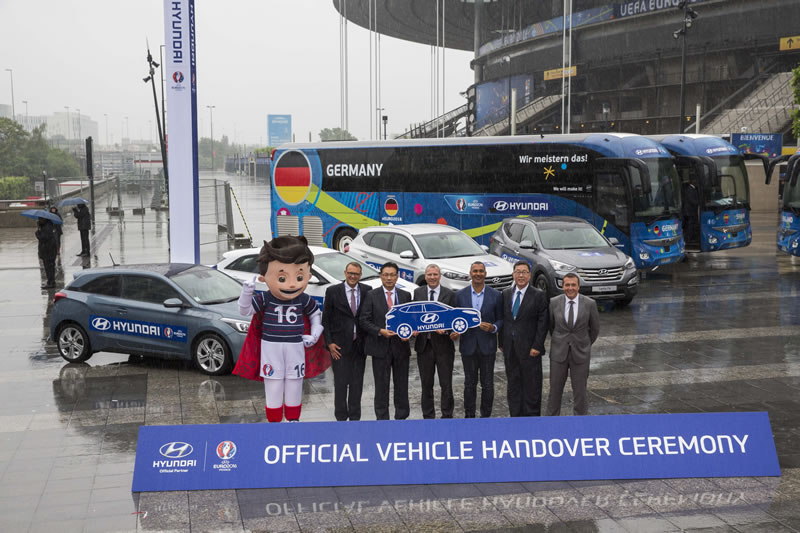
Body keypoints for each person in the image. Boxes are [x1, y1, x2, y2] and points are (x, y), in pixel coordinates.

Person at [235, 236, 323, 422]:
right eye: (282, 278)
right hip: (271, 347)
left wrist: (315, 334)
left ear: (308, 276)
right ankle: (274, 422)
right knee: (273, 386)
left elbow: (316, 316)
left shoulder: (303, 299)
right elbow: (245, 310)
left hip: (295, 346)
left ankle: (293, 420)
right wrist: (246, 292)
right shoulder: (265, 298)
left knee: (294, 385)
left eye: (299, 277)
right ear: (264, 277)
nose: (291, 284)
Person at [359, 262, 412, 420]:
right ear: (381, 276)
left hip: (401, 347)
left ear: (397, 276)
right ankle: (382, 419)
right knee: (381, 386)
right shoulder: (371, 295)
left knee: (402, 385)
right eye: (386, 275)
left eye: (392, 275)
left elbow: (411, 320)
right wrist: (380, 331)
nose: (389, 278)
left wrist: (411, 332)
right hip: (380, 347)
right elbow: (364, 320)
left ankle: (402, 417)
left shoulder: (405, 295)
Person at [452, 261, 504, 418]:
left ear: (485, 274)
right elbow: (454, 319)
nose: (478, 274)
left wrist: (493, 327)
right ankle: (469, 417)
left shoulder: (496, 295)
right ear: (470, 273)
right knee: (469, 384)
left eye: (481, 271)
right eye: (475, 271)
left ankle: (486, 416)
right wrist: (455, 332)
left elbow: (501, 319)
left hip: (487, 345)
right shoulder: (460, 295)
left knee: (487, 384)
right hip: (468, 346)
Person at [499, 261, 549, 417]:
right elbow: (503, 319)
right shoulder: (506, 294)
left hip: (530, 349)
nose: (521, 275)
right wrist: (501, 342)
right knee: (513, 384)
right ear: (513, 274)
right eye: (518, 272)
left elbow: (543, 323)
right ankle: (516, 417)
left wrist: (537, 345)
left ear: (529, 275)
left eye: (524, 272)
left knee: (532, 386)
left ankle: (532, 419)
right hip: (510, 348)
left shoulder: (538, 295)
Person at [546, 273, 600, 416]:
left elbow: (594, 329)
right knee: (554, 391)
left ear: (578, 287)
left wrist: (584, 344)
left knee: (580, 391)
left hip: (580, 353)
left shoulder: (590, 304)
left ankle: (580, 421)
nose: (570, 288)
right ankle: (551, 421)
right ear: (562, 286)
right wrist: (561, 341)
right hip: (558, 353)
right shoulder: (553, 302)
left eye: (573, 285)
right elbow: (551, 326)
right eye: (567, 285)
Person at [322, 261, 370, 421]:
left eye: (356, 274)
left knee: (357, 384)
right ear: (345, 273)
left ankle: (355, 417)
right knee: (341, 384)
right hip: (339, 346)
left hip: (359, 346)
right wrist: (329, 343)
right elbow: (326, 319)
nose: (352, 276)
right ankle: (341, 418)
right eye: (350, 273)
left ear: (360, 275)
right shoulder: (333, 291)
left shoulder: (367, 290)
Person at [412, 264, 456, 419]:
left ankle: (447, 415)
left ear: (440, 276)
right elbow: (414, 315)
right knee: (426, 384)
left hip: (444, 346)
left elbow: (453, 318)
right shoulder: (418, 293)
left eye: (435, 274)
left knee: (446, 384)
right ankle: (428, 416)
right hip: (424, 346)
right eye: (429, 274)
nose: (432, 277)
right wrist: (413, 328)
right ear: (425, 276)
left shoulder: (449, 294)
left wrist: (447, 330)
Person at [36, 217, 58, 289]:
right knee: (48, 267)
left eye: (40, 219)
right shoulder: (45, 226)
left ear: (44, 219)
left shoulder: (47, 227)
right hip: (46, 250)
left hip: (49, 251)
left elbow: (43, 238)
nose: (39, 220)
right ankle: (50, 281)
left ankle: (51, 282)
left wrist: (37, 233)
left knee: (49, 267)